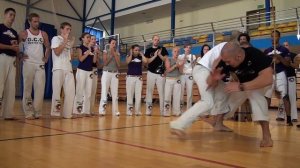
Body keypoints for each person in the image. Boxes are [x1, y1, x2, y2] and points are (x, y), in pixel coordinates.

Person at [170, 42, 274, 147]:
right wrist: (213, 78)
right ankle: (187, 124)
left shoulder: (255, 55)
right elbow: (211, 82)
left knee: (255, 98)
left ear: (238, 56)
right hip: (221, 76)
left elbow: (268, 79)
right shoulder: (225, 61)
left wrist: (240, 86)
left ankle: (266, 136)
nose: (226, 64)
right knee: (215, 98)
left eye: (228, 61)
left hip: (258, 82)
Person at [19, 13, 50, 119]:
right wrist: (21, 55)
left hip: (40, 64)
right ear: (29, 22)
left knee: (40, 89)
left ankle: (37, 111)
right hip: (28, 63)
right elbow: (18, 46)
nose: (37, 23)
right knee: (27, 89)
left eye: (38, 21)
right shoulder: (24, 33)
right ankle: (28, 112)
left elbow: (48, 47)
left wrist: (46, 58)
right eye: (35, 21)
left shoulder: (43, 33)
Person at [264, 30, 292, 125]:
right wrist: (271, 61)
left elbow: (287, 64)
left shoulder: (284, 50)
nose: (273, 38)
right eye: (272, 36)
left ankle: (288, 119)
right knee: (267, 96)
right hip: (270, 74)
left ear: (279, 37)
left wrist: (279, 58)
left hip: (280, 74)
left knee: (285, 96)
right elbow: (264, 65)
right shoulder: (267, 51)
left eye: (275, 36)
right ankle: (264, 117)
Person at [50, 22, 75, 119]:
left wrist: (71, 46)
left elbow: (70, 58)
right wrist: (64, 41)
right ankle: (55, 113)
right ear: (61, 29)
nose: (69, 31)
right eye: (67, 29)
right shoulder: (56, 38)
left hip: (68, 68)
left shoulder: (68, 41)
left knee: (71, 92)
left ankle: (67, 114)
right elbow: (56, 52)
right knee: (56, 91)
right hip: (58, 68)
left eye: (70, 29)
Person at [0, 8, 19, 120]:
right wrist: (9, 47)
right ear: (5, 15)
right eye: (10, 15)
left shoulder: (14, 32)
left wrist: (19, 54)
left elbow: (16, 48)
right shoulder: (0, 28)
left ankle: (8, 114)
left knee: (11, 87)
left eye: (14, 16)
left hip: (12, 60)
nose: (12, 17)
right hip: (2, 57)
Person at [73, 33, 97, 117]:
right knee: (79, 91)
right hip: (81, 70)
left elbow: (94, 61)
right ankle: (76, 111)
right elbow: (81, 59)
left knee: (88, 92)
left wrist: (95, 52)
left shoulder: (92, 48)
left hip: (89, 71)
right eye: (87, 37)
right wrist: (88, 52)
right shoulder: (80, 47)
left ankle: (86, 111)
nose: (89, 39)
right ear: (83, 38)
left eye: (90, 37)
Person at [145, 35, 169, 116]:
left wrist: (159, 54)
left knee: (162, 92)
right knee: (149, 92)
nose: (156, 41)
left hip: (160, 74)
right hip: (151, 73)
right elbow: (147, 61)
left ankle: (163, 111)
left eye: (158, 40)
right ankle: (148, 110)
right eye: (155, 39)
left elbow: (165, 59)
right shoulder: (148, 50)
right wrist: (155, 55)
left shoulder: (163, 49)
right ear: (152, 40)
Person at [98, 38, 121, 116]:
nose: (114, 45)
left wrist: (114, 54)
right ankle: (102, 111)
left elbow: (119, 64)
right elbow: (105, 63)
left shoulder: (117, 53)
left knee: (115, 93)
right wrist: (111, 55)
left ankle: (115, 111)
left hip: (115, 74)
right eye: (113, 43)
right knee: (104, 92)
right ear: (109, 44)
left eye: (115, 43)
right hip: (106, 73)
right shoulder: (105, 51)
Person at [126, 45, 147, 116]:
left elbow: (146, 61)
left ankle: (137, 111)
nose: (137, 51)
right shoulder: (129, 55)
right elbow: (127, 62)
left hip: (139, 78)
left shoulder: (140, 57)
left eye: (138, 50)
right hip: (130, 77)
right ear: (132, 50)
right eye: (136, 50)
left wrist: (142, 55)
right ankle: (129, 111)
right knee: (130, 94)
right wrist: (131, 54)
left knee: (138, 95)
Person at [164, 47, 184, 116]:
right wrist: (176, 65)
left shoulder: (180, 60)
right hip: (169, 79)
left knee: (177, 96)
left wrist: (180, 66)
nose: (176, 53)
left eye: (178, 52)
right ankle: (166, 112)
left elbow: (181, 72)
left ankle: (176, 112)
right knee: (167, 96)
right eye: (175, 51)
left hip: (177, 79)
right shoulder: (168, 59)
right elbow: (168, 70)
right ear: (172, 52)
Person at [282, 41, 298, 122]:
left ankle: (294, 116)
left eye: (287, 45)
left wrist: (289, 63)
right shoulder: (280, 55)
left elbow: (296, 66)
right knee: (283, 96)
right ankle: (281, 115)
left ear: (289, 46)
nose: (285, 46)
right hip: (282, 77)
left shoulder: (294, 55)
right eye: (284, 45)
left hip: (291, 77)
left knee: (292, 96)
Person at [178, 44, 196, 111]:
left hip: (190, 75)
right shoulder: (180, 56)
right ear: (184, 48)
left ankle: (189, 109)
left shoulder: (193, 56)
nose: (188, 49)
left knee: (190, 92)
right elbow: (179, 65)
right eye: (187, 47)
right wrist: (184, 58)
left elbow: (194, 66)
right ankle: (180, 109)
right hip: (182, 75)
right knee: (181, 92)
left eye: (189, 48)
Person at [90, 35, 101, 115]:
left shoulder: (96, 49)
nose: (94, 40)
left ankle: (91, 109)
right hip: (87, 70)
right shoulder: (87, 47)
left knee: (93, 90)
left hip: (95, 69)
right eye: (92, 39)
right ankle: (84, 109)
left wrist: (97, 53)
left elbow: (96, 62)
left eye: (95, 39)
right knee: (87, 91)